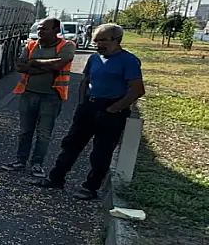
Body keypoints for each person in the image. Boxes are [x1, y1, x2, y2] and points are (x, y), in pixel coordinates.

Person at [34, 23, 145, 200]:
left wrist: (115, 108)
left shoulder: (129, 61)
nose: (98, 45)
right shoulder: (94, 58)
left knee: (101, 150)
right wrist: (82, 103)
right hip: (89, 106)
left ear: (117, 40)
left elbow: (137, 89)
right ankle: (56, 178)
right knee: (71, 144)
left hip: (111, 110)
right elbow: (85, 81)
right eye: (96, 41)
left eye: (103, 41)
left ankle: (90, 187)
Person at [0, 18, 76, 177]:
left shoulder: (67, 46)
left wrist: (33, 63)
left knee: (44, 133)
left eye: (45, 29)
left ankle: (37, 164)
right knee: (25, 131)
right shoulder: (31, 44)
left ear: (56, 30)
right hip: (29, 94)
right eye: (39, 29)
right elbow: (20, 66)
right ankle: (20, 161)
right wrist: (44, 66)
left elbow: (58, 65)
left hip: (51, 97)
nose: (40, 32)